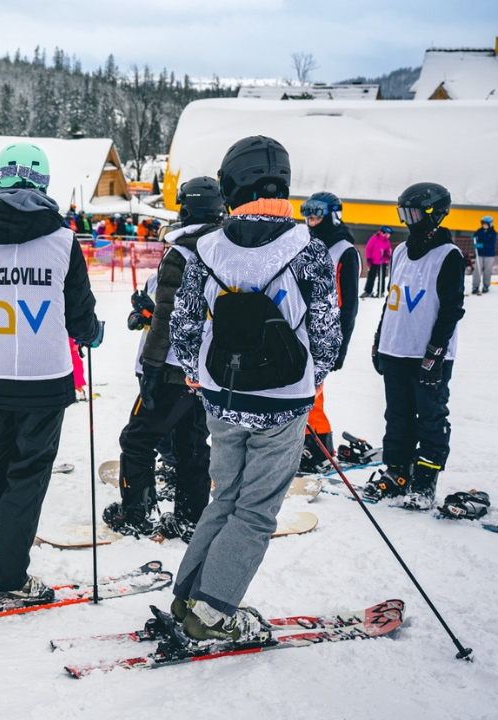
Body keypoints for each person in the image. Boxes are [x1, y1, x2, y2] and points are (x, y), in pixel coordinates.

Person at [168, 136, 341, 642]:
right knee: (257, 510)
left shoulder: (204, 247)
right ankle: (213, 612)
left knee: (227, 497)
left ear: (230, 184)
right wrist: (314, 380)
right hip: (283, 400)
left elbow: (184, 328)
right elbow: (328, 333)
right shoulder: (308, 249)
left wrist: (199, 378)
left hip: (221, 394)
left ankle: (189, 594)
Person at [0, 142, 102, 606]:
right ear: (43, 184)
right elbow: (80, 315)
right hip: (45, 375)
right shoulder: (63, 239)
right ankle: (4, 577)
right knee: (28, 473)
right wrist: (92, 332)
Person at [105, 176, 223, 542]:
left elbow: (170, 318)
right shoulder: (222, 247)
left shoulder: (182, 251)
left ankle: (136, 513)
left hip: (172, 365)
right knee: (191, 443)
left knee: (138, 439)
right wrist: (150, 309)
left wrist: (152, 367)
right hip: (203, 365)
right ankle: (190, 516)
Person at [363, 182, 465, 510]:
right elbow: (391, 300)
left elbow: (451, 311)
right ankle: (397, 473)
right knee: (397, 417)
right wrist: (380, 339)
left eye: (413, 213)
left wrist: (435, 354)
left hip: (427, 355)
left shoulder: (448, 256)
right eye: (402, 213)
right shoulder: (400, 251)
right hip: (395, 350)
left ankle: (424, 480)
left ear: (434, 214)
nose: (407, 220)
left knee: (430, 419)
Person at [298, 191, 359, 473]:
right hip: (299, 326)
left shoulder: (343, 249)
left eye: (317, 211)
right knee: (299, 390)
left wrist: (341, 344)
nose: (311, 216)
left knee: (313, 393)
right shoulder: (303, 243)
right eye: (307, 210)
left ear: (333, 213)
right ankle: (305, 442)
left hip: (326, 332)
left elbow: (349, 303)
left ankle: (319, 448)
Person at [362, 226, 392, 298]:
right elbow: (368, 248)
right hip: (374, 261)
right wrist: (368, 258)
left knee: (382, 278)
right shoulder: (374, 239)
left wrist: (387, 256)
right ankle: (368, 291)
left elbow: (388, 250)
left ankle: (380, 292)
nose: (388, 236)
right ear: (383, 233)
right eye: (387, 234)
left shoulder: (386, 241)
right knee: (371, 277)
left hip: (382, 262)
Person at [470, 217, 496, 295]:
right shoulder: (479, 231)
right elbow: (475, 237)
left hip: (489, 255)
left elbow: (491, 244)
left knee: (487, 270)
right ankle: (475, 286)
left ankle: (486, 286)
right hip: (480, 254)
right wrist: (474, 239)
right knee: (477, 271)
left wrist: (481, 245)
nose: (484, 226)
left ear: (490, 224)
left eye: (486, 224)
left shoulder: (493, 233)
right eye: (483, 224)